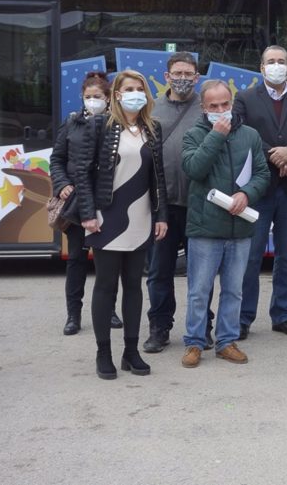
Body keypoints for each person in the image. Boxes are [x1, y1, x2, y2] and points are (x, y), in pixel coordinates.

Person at [75, 69, 168, 380]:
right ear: (116, 93)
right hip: (106, 217)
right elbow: (83, 173)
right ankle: (104, 353)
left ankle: (131, 351)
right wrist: (87, 213)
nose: (135, 94)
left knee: (134, 286)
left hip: (141, 217)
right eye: (129, 88)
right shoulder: (99, 125)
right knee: (105, 285)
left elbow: (159, 178)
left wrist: (162, 215)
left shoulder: (152, 128)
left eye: (140, 88)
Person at [179, 80, 271, 368]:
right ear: (203, 108)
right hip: (205, 227)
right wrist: (216, 136)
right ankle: (194, 343)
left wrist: (247, 193)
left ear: (231, 103)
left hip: (239, 227)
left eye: (225, 105)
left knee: (234, 289)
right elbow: (194, 169)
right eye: (214, 106)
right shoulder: (193, 135)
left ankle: (226, 341)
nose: (221, 111)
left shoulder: (250, 135)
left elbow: (262, 174)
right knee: (199, 290)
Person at [234, 45, 287, 340]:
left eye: (281, 61)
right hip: (258, 188)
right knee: (251, 257)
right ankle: (243, 318)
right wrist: (275, 155)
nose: (276, 65)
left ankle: (283, 315)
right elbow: (241, 134)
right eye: (271, 61)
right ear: (261, 68)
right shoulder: (244, 98)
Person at [50, 71, 122, 336]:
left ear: (107, 98)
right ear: (82, 97)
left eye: (98, 97)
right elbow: (57, 159)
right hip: (77, 201)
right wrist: (62, 184)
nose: (92, 101)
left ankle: (109, 310)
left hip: (107, 201)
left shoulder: (116, 124)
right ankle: (74, 315)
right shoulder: (71, 123)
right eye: (88, 97)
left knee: (109, 261)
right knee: (77, 260)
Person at [144, 52, 202, 354]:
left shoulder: (206, 108)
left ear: (197, 76)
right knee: (159, 271)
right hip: (162, 207)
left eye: (188, 73)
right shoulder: (151, 110)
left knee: (200, 272)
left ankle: (200, 325)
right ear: (166, 77)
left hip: (199, 206)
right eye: (177, 73)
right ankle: (159, 327)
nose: (183, 78)